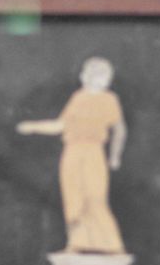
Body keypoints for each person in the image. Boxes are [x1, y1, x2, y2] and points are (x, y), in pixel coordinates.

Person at [17, 57, 127, 253]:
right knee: (73, 198)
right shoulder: (78, 97)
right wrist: (33, 127)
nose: (101, 80)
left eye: (104, 76)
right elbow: (61, 125)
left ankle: (113, 245)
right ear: (86, 77)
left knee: (95, 197)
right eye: (96, 75)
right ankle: (76, 243)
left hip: (93, 151)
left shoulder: (109, 99)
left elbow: (120, 129)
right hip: (72, 151)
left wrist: (115, 155)